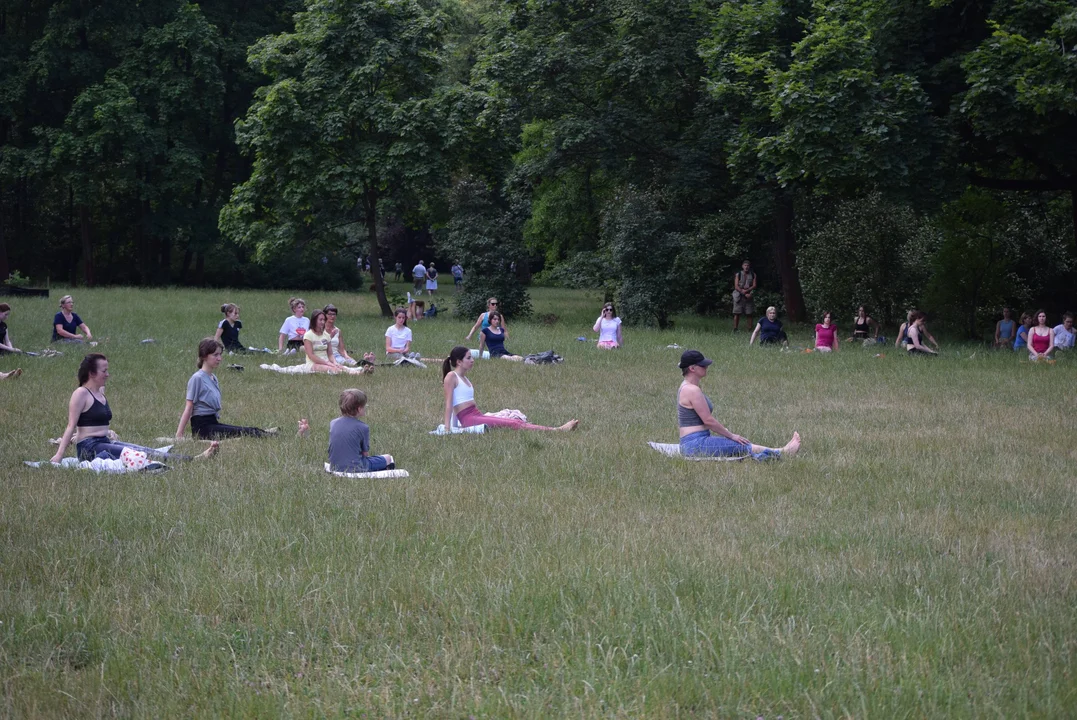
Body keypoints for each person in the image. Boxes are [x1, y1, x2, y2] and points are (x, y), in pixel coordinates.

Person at [51, 353, 218, 464]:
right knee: (136, 455)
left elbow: (99, 423)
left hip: (104, 442)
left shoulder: (101, 391)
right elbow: (71, 426)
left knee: (143, 449)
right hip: (89, 448)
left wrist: (107, 432)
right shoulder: (81, 394)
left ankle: (188, 459)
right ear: (91, 373)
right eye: (104, 371)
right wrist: (59, 455)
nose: (108, 374)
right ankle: (194, 460)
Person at [677, 349, 799, 460]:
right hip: (695, 444)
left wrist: (725, 432)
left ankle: (779, 451)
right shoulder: (692, 390)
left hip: (694, 442)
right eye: (702, 365)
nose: (706, 367)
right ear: (692, 368)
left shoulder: (687, 387)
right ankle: (782, 452)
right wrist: (732, 436)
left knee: (736, 444)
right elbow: (708, 421)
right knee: (740, 445)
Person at [442, 346, 579, 431]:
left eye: (472, 357)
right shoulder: (451, 377)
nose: (472, 360)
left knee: (514, 419)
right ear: (459, 362)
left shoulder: (465, 378)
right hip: (469, 419)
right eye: (468, 358)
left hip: (476, 415)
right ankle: (557, 430)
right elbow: (449, 405)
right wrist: (448, 428)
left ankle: (548, 429)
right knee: (514, 424)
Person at [176, 339, 281, 439]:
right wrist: (179, 434)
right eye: (215, 355)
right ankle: (269, 435)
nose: (219, 358)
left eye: (220, 354)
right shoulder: (197, 378)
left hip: (212, 423)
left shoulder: (213, 377)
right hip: (203, 429)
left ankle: (265, 433)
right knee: (247, 432)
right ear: (204, 356)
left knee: (248, 430)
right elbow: (189, 407)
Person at [328, 389, 394, 473]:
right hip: (356, 467)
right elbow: (365, 453)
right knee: (388, 458)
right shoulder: (363, 427)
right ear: (359, 409)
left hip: (334, 466)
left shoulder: (333, 423)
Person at [304, 310, 368, 374]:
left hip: (327, 361)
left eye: (324, 320)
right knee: (332, 369)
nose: (323, 322)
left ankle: (363, 370)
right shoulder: (308, 335)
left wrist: (334, 362)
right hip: (313, 364)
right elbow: (311, 356)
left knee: (340, 367)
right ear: (314, 321)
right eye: (320, 320)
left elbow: (330, 354)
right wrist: (327, 363)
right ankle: (358, 374)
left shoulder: (326, 335)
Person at [732, 260, 756, 332]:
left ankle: (750, 329)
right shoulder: (738, 274)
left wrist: (748, 291)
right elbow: (736, 286)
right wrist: (743, 292)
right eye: (745, 265)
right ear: (742, 266)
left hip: (748, 295)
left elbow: (754, 285)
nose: (746, 267)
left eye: (748, 265)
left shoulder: (753, 274)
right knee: (737, 313)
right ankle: (735, 329)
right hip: (738, 295)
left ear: (749, 266)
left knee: (749, 313)